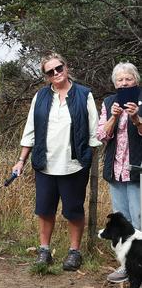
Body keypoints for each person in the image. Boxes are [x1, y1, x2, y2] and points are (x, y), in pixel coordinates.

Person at [12, 52, 100, 271]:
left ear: (66, 67)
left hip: (74, 165)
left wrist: (88, 158)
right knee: (44, 210)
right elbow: (29, 131)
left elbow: (94, 133)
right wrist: (21, 160)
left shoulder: (84, 94)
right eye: (50, 72)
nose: (56, 73)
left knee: (73, 210)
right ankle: (44, 251)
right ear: (46, 76)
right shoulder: (40, 96)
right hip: (45, 164)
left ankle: (74, 252)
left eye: (58, 68)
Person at [96, 62, 142, 283]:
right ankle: (128, 267)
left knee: (139, 223)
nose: (124, 83)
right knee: (123, 222)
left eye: (128, 79)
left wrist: (136, 119)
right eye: (120, 80)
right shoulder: (109, 102)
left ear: (136, 81)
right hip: (116, 171)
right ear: (115, 84)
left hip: (137, 172)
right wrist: (113, 117)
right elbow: (101, 136)